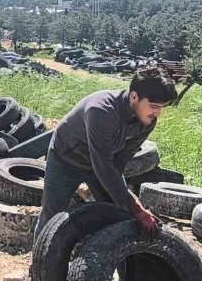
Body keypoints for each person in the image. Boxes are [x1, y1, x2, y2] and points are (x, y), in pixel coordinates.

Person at [34, 66, 177, 241]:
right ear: (134, 96)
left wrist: (126, 203)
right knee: (52, 215)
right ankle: (39, 264)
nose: (157, 113)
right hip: (66, 158)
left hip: (101, 163)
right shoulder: (101, 110)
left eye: (162, 107)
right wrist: (135, 207)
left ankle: (117, 258)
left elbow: (120, 161)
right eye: (154, 106)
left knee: (118, 212)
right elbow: (103, 165)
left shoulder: (146, 120)